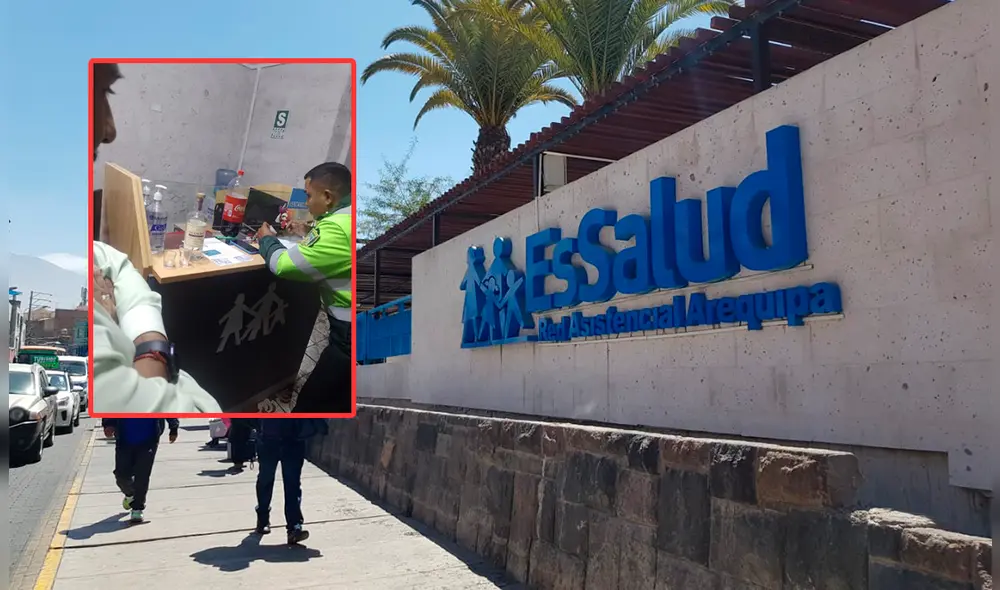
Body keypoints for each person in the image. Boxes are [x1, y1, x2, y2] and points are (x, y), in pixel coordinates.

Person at [91, 62, 222, 413]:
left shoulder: (98, 259)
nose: (110, 130)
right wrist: (149, 343)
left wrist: (125, 327)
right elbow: (198, 408)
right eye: (103, 91)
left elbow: (119, 267)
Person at [255, 162, 353, 414]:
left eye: (309, 196)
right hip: (347, 326)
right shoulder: (345, 216)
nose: (307, 203)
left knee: (314, 400)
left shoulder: (336, 228)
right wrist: (306, 230)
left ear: (328, 197)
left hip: (348, 333)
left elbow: (282, 264)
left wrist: (267, 239)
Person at [253, 418, 328, 544]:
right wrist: (259, 427)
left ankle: (294, 527)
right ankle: (263, 517)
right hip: (268, 441)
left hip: (293, 441)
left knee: (292, 484)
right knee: (265, 479)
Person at [102, 417, 179, 524]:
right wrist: (108, 424)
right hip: (124, 440)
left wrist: (173, 427)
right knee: (121, 476)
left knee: (142, 474)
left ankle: (137, 508)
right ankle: (130, 494)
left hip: (149, 439)